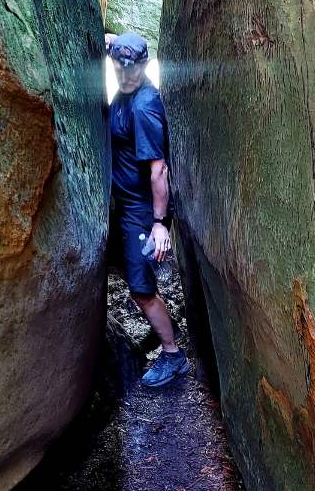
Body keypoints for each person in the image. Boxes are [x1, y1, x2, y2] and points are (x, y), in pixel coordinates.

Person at [106, 31, 188, 387]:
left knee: (141, 289)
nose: (126, 77)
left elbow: (158, 169)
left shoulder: (143, 107)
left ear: (143, 65)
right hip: (124, 206)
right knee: (129, 273)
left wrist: (159, 224)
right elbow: (112, 45)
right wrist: (107, 40)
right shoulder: (128, 87)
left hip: (140, 211)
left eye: (133, 70)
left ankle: (172, 354)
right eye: (120, 69)